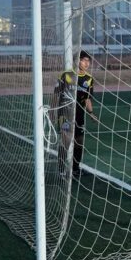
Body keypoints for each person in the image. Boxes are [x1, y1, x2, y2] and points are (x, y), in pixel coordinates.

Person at [53, 50, 96, 181]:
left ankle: (76, 169)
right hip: (65, 115)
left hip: (79, 115)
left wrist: (91, 113)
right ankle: (61, 170)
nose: (86, 63)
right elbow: (56, 95)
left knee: (79, 142)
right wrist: (52, 112)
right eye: (83, 60)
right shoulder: (66, 76)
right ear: (76, 61)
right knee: (66, 141)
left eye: (88, 61)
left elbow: (87, 99)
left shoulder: (89, 79)